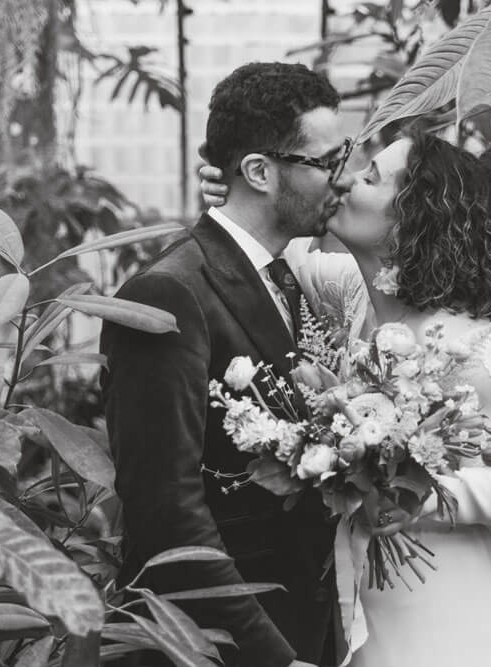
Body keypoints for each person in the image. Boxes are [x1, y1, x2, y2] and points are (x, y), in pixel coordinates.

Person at [199, 126, 491, 666]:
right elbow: (254, 248)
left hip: (465, 620)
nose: (347, 180)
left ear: (413, 217)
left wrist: (427, 495)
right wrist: (240, 192)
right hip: (373, 623)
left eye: (371, 177)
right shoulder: (350, 300)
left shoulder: (479, 350)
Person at [99, 61, 354, 667]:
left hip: (302, 623)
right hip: (217, 645)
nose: (341, 181)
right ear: (261, 172)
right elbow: (166, 508)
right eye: (327, 163)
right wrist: (273, 657)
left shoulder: (284, 277)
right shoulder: (170, 292)